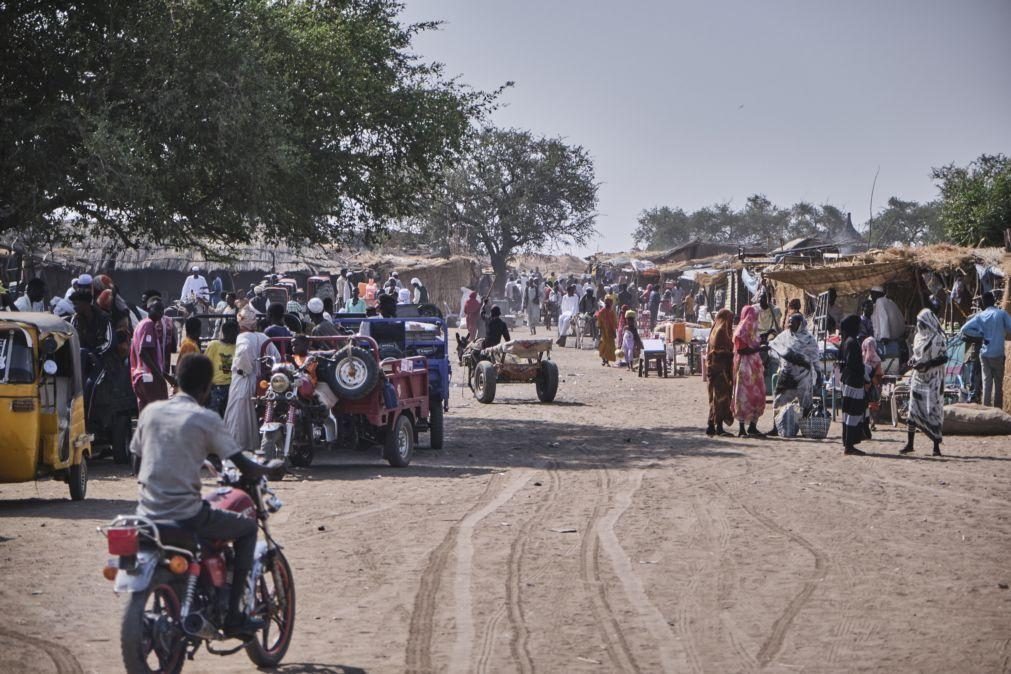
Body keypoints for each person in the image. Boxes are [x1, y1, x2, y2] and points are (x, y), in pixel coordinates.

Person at [131, 354, 284, 636]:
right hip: (186, 515)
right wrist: (270, 469)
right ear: (205, 389)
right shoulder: (205, 418)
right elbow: (245, 466)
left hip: (146, 515)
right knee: (248, 529)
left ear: (176, 382)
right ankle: (235, 617)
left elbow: (138, 462)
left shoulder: (150, 413)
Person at [224, 306, 280, 452]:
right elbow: (277, 358)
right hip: (261, 380)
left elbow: (243, 357)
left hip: (243, 379)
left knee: (238, 415)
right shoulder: (264, 337)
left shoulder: (242, 338)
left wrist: (248, 369)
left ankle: (240, 448)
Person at [900, 309, 948, 456]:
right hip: (918, 378)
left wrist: (929, 364)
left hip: (933, 379)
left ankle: (936, 447)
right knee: (913, 410)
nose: (918, 325)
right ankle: (910, 444)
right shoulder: (918, 337)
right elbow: (916, 355)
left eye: (921, 322)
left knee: (933, 410)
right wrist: (912, 361)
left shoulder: (938, 338)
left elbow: (944, 358)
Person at [767, 313, 821, 436]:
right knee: (778, 401)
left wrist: (819, 375)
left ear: (800, 324)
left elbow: (815, 358)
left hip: (803, 377)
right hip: (787, 375)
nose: (790, 324)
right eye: (789, 322)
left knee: (805, 403)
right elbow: (773, 347)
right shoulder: (784, 336)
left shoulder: (809, 339)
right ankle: (776, 427)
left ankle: (806, 430)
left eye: (793, 322)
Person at [959, 291, 1011, 408]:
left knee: (987, 384)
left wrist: (980, 335)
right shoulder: (1001, 314)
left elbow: (964, 329)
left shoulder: (980, 316)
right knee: (998, 385)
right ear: (993, 301)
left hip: (984, 354)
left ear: (983, 303)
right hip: (997, 354)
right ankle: (997, 413)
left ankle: (985, 410)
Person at [130, 299, 176, 412]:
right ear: (148, 309)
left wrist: (166, 376)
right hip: (149, 378)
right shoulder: (148, 324)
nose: (160, 313)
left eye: (162, 310)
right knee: (160, 413)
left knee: (145, 414)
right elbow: (144, 352)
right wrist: (160, 376)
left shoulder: (140, 324)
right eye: (157, 309)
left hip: (139, 377)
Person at [733, 305, 767, 438]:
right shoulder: (740, 331)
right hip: (744, 367)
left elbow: (754, 343)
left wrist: (762, 344)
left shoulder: (753, 329)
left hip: (755, 367)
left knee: (757, 396)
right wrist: (758, 349)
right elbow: (741, 350)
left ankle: (753, 426)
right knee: (743, 396)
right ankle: (742, 428)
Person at [839, 315, 868, 455]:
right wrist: (864, 373)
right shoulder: (852, 343)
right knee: (853, 412)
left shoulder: (845, 342)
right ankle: (849, 445)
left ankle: (847, 441)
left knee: (847, 412)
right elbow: (854, 364)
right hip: (853, 381)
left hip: (847, 380)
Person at [706, 308, 736, 436]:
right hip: (720, 371)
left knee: (715, 397)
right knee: (720, 398)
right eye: (730, 319)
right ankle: (718, 426)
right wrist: (732, 354)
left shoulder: (715, 330)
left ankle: (712, 424)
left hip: (716, 371)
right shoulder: (720, 332)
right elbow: (718, 352)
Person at [204, 320, 237, 416]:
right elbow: (206, 366)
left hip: (231, 386)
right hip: (216, 386)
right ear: (226, 333)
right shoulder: (214, 345)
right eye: (234, 333)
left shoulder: (237, 347)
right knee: (214, 414)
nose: (236, 335)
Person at [862, 336, 884, 437]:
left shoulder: (862, 357)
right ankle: (872, 422)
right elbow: (880, 373)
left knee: (865, 405)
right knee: (874, 404)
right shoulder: (877, 359)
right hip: (874, 384)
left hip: (864, 385)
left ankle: (866, 423)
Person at [596, 298, 618, 366]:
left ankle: (607, 360)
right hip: (604, 332)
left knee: (610, 347)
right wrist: (600, 331)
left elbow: (615, 322)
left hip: (610, 332)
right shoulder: (601, 312)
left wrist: (614, 330)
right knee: (604, 346)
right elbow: (599, 323)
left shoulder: (611, 312)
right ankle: (604, 360)